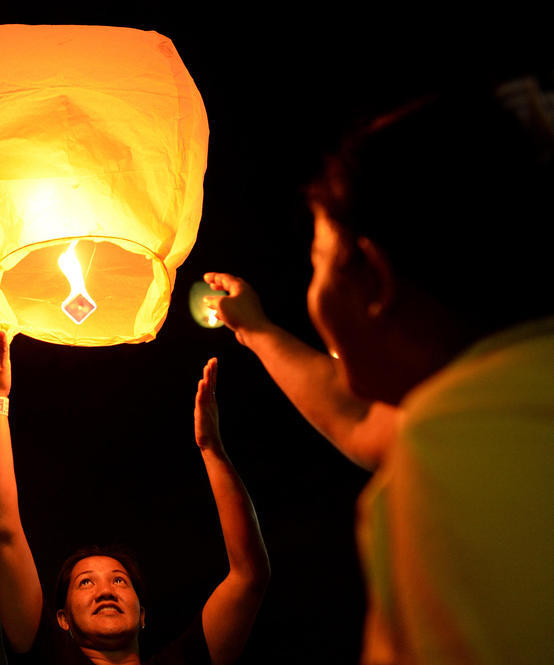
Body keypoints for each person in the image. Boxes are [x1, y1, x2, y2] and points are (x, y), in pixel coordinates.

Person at [203, 73, 554, 664]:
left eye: (319, 262)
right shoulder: (507, 397)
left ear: (374, 279)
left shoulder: (449, 462)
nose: (313, 291)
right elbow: (361, 417)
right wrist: (257, 330)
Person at [0, 313, 270, 665]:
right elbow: (1, 528)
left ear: (143, 614)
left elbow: (250, 575)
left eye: (120, 581)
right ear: (62, 618)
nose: (106, 591)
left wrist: (213, 450)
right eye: (85, 583)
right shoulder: (46, 657)